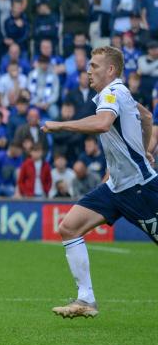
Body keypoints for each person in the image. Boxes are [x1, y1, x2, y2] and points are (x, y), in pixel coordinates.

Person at [41, 46, 158, 318]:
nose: (88, 70)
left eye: (94, 66)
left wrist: (60, 125)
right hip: (115, 186)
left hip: (140, 188)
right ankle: (86, 299)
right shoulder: (120, 93)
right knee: (69, 227)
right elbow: (147, 117)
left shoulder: (112, 92)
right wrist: (145, 151)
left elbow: (103, 123)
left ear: (111, 70)